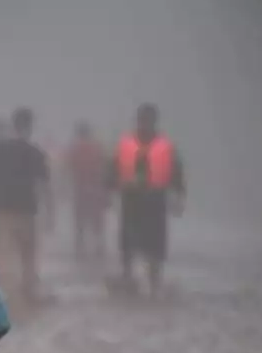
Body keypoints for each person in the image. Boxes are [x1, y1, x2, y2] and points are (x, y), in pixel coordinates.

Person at [107, 103, 186, 296]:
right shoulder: (126, 146)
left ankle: (153, 284)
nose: (144, 124)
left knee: (154, 249)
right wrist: (111, 190)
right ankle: (130, 280)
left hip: (153, 204)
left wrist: (179, 198)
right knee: (129, 247)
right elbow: (111, 173)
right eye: (142, 120)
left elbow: (176, 175)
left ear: (154, 122)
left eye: (147, 120)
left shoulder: (164, 147)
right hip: (133, 202)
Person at [0, 107, 51, 307]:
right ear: (29, 126)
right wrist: (50, 212)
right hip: (26, 209)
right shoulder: (34, 152)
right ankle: (27, 293)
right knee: (27, 253)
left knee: (5, 254)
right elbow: (44, 185)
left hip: (0, 209)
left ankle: (9, 296)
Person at [63, 120, 110, 264]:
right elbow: (105, 169)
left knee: (80, 221)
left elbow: (68, 169)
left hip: (80, 189)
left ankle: (80, 248)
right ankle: (99, 247)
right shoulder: (98, 148)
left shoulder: (74, 149)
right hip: (96, 189)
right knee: (97, 222)